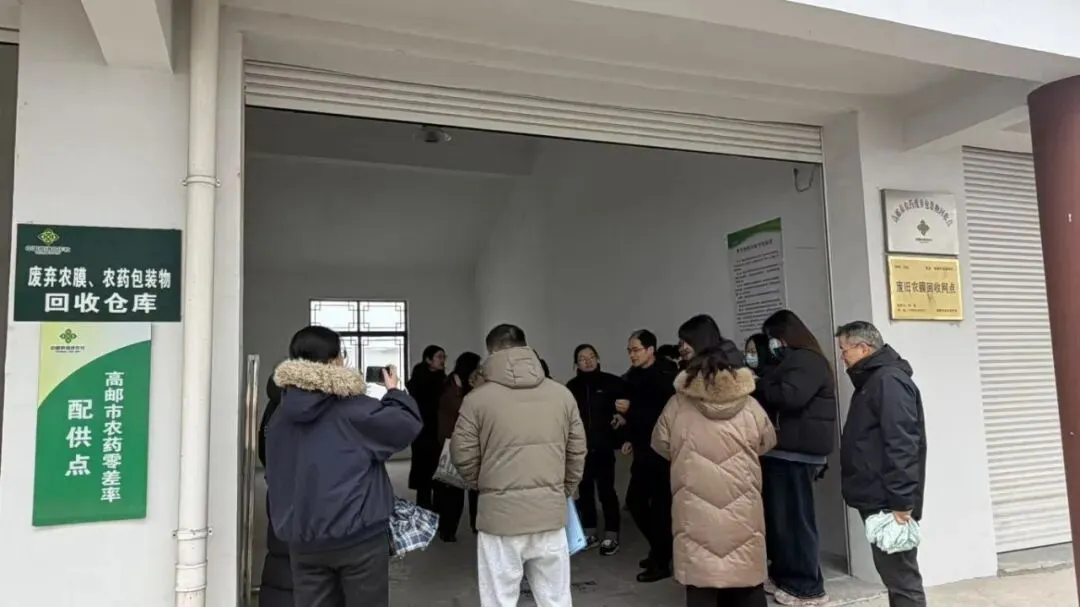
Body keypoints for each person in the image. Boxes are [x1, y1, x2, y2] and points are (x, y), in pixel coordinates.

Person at [264, 326, 422, 607]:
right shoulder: (353, 408)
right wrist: (395, 393)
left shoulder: (279, 416)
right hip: (358, 539)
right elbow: (404, 426)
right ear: (335, 360)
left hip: (303, 541)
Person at [451, 324, 586, 607]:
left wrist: (488, 487)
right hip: (549, 516)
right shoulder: (562, 395)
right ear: (526, 347)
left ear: (491, 352)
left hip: (499, 520)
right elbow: (576, 452)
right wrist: (560, 492)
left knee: (499, 600)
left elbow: (462, 455)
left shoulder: (476, 400)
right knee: (556, 600)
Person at [652, 338, 777, 607]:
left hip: (694, 506)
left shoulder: (676, 405)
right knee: (746, 576)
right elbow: (767, 441)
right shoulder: (750, 406)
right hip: (742, 505)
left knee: (701, 580)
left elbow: (660, 444)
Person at [836, 321, 927, 607]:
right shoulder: (873, 380)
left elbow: (903, 444)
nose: (842, 357)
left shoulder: (888, 381)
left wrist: (901, 504)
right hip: (880, 496)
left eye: (844, 350)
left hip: (889, 501)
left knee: (902, 578)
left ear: (864, 348)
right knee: (894, 575)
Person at [756, 310, 836, 606]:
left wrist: (758, 382)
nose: (771, 344)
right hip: (784, 451)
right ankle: (784, 576)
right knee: (781, 521)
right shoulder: (792, 361)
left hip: (798, 453)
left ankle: (808, 588)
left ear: (785, 335)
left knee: (795, 522)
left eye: (772, 337)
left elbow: (791, 397)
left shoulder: (807, 360)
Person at [621, 328, 678, 583]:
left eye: (636, 350)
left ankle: (661, 560)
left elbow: (659, 416)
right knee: (636, 502)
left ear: (650, 350)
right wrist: (627, 435)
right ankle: (660, 550)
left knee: (660, 509)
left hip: (662, 454)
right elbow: (634, 417)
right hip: (642, 450)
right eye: (629, 350)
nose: (632, 355)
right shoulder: (632, 377)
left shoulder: (665, 377)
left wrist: (631, 409)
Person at [566, 344, 627, 556]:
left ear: (598, 359)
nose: (588, 361)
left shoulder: (612, 382)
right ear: (576, 364)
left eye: (591, 356)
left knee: (606, 491)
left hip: (603, 446)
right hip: (580, 449)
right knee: (584, 491)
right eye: (582, 358)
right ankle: (590, 531)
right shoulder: (571, 387)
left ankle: (612, 534)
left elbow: (627, 407)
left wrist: (622, 418)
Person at [434, 351, 482, 542]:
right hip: (454, 442)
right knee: (453, 489)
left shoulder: (469, 385)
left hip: (471, 442)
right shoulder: (451, 386)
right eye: (477, 367)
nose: (480, 371)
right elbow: (461, 409)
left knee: (475, 487)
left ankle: (476, 524)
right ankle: (447, 530)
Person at [257, 372, 292, 607]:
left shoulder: (273, 409)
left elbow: (262, 447)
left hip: (278, 489)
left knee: (280, 552)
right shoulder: (301, 413)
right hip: (302, 493)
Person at [407, 344, 447, 510]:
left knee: (440, 476)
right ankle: (423, 512)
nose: (443, 360)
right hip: (422, 433)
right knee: (424, 475)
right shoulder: (418, 381)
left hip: (439, 432)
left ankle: (438, 513)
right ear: (428, 360)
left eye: (444, 357)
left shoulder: (444, 381)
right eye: (439, 357)